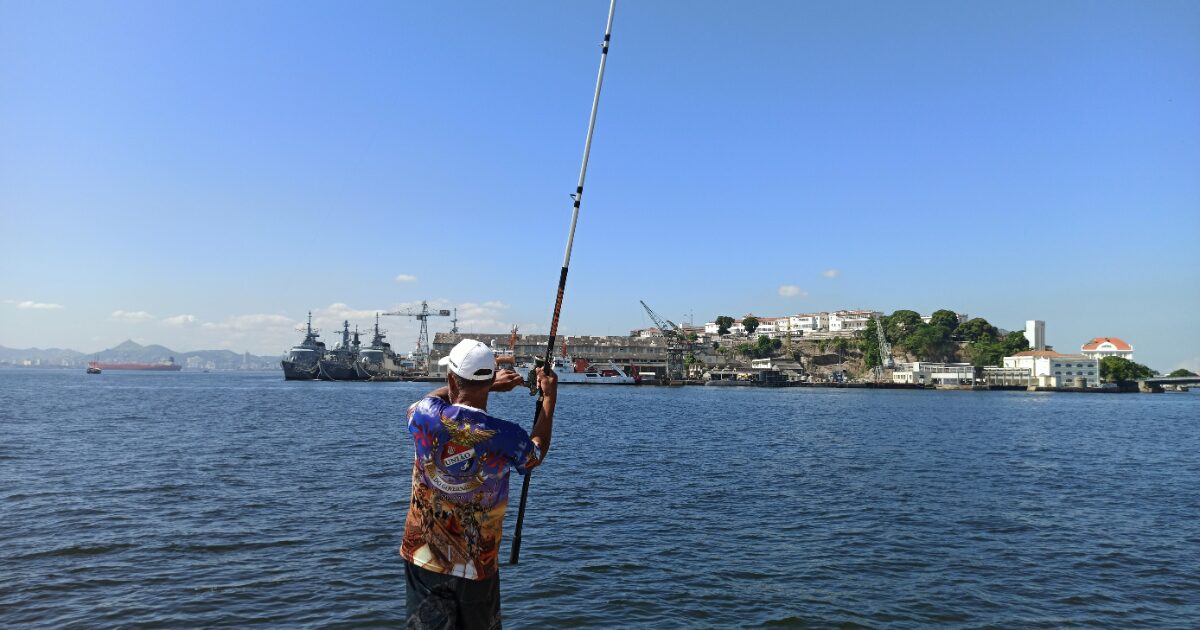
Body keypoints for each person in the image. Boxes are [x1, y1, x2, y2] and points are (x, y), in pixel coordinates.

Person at [401, 338, 558, 629]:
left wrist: (483, 384)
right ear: (489, 383)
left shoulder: (427, 415)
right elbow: (534, 453)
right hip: (477, 565)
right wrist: (549, 398)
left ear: (450, 378)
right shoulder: (505, 435)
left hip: (423, 557)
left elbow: (426, 399)